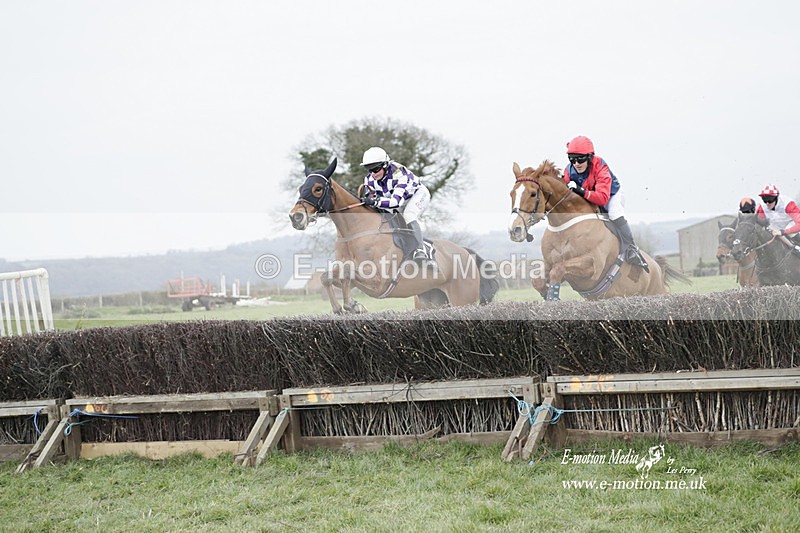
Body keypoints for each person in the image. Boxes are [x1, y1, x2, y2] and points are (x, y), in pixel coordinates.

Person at [562, 135, 649, 272]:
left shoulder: (600, 167)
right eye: (572, 159)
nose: (577, 163)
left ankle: (632, 248)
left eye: (580, 159)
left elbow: (602, 198)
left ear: (590, 157)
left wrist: (580, 190)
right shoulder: (568, 171)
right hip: (590, 197)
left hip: (611, 196)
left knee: (614, 215)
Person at [360, 146, 436, 269]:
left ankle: (420, 250)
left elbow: (395, 202)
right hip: (394, 199)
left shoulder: (400, 175)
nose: (373, 174)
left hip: (416, 195)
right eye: (369, 170)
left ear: (385, 165)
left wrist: (375, 201)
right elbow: (372, 200)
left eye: (375, 169)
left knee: (409, 215)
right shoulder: (369, 179)